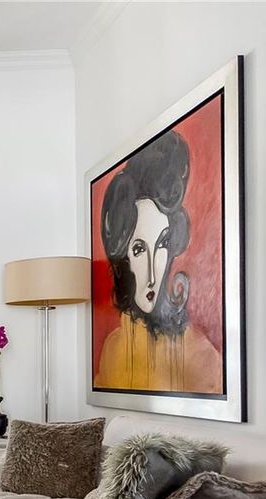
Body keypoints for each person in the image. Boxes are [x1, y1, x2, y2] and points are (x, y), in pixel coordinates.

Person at [94, 130, 221, 394]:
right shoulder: (113, 350)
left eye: (161, 244)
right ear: (123, 256)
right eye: (139, 248)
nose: (153, 274)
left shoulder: (202, 355)